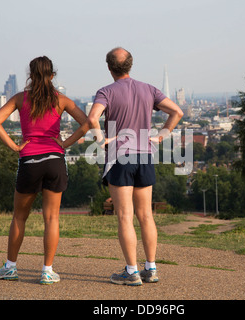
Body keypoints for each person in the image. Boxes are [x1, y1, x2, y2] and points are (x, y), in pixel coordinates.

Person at [84, 47, 183, 286]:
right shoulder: (149, 89)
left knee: (125, 216)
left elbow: (92, 117)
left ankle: (131, 271)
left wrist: (100, 138)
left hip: (120, 157)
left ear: (109, 68)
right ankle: (151, 268)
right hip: (145, 156)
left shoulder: (106, 91)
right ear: (130, 65)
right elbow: (177, 111)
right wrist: (161, 136)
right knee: (146, 215)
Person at [0, 56, 87, 284]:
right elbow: (87, 123)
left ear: (30, 76)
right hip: (55, 160)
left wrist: (14, 146)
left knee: (19, 217)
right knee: (51, 218)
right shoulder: (61, 100)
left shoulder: (20, 98)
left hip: (30, 161)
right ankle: (47, 271)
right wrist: (66, 143)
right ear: (52, 76)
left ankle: (10, 267)